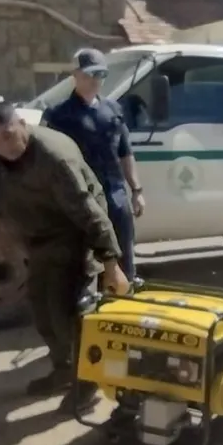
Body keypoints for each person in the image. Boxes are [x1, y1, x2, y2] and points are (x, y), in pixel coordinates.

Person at [0, 100, 129, 412]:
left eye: (8, 135)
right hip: (39, 234)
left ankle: (87, 383)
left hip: (74, 231)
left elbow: (91, 215)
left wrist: (111, 266)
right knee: (42, 308)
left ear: (21, 123)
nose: (3, 147)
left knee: (70, 313)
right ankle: (63, 371)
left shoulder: (54, 159)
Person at [41, 48, 144, 282]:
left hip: (116, 196)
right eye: (88, 74)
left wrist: (137, 190)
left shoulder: (113, 110)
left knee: (123, 254)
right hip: (80, 198)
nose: (94, 80)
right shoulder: (58, 115)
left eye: (100, 75)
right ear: (75, 75)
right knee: (86, 261)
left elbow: (125, 152)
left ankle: (123, 300)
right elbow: (46, 160)